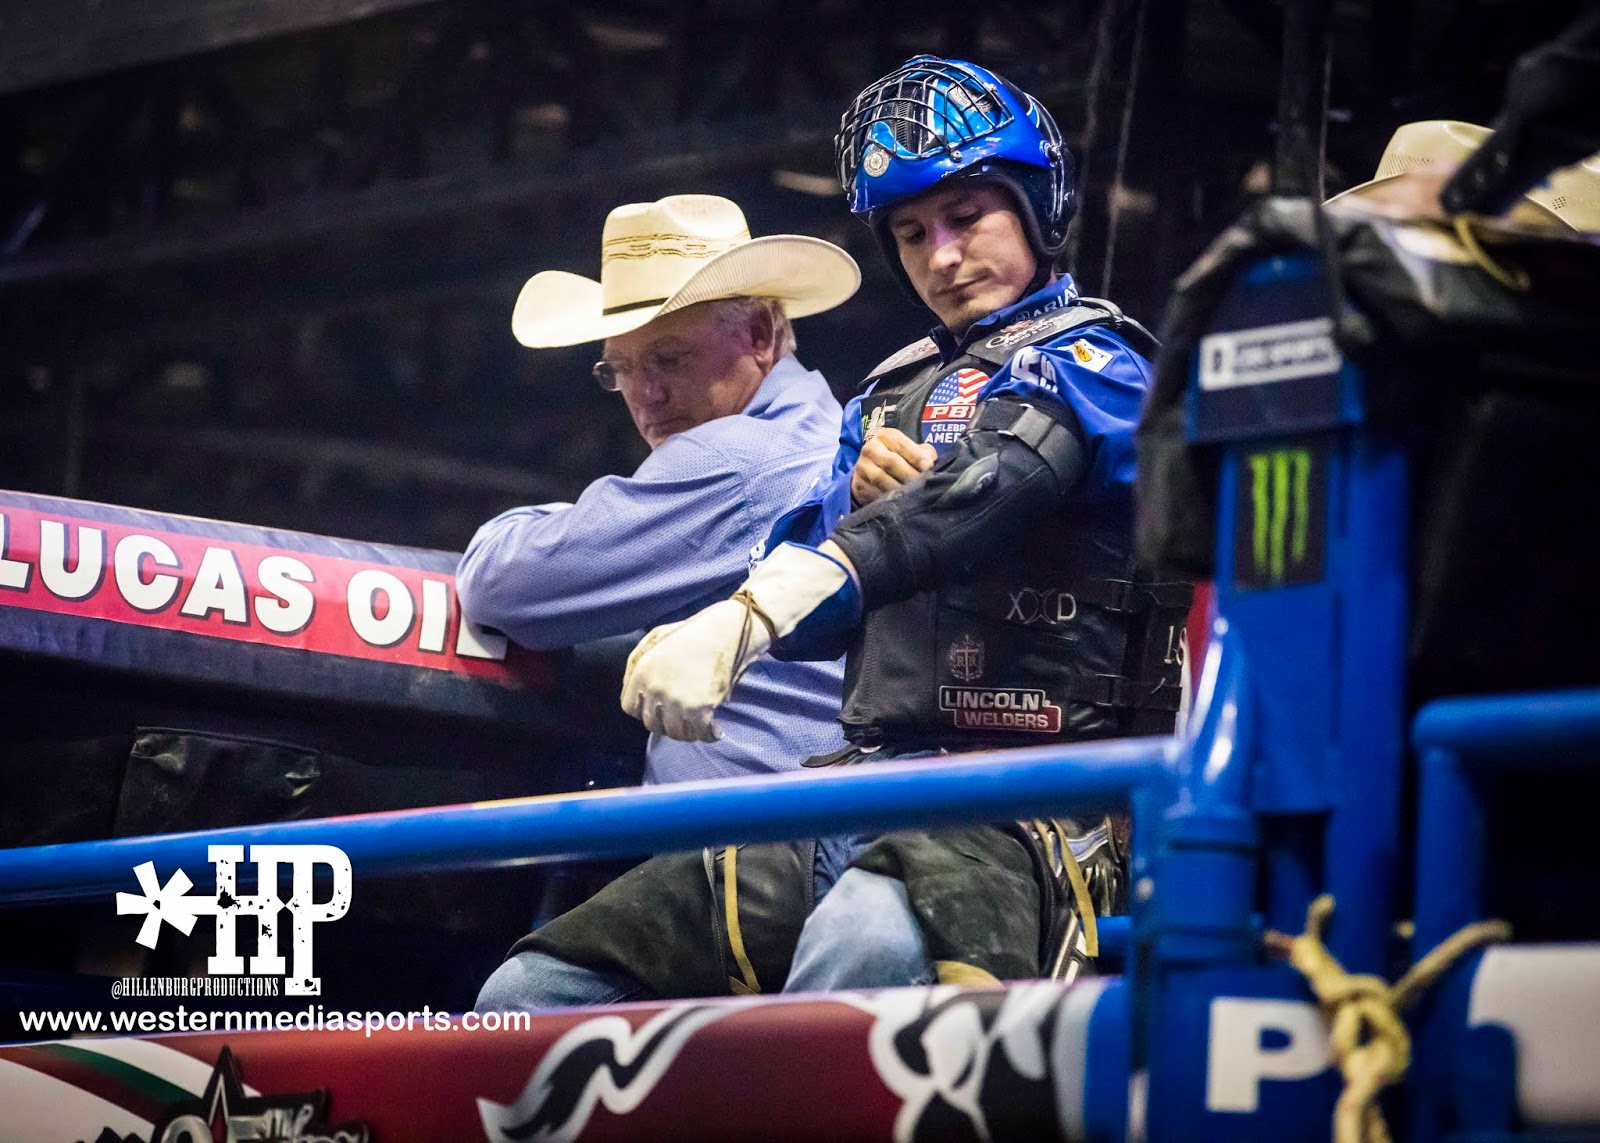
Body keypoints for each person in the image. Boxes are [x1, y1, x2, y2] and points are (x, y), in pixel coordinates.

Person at [623, 56, 1191, 991]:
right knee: (546, 982)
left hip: (1048, 803)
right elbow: (818, 624)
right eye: (913, 233)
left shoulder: (1104, 367)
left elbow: (989, 487)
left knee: (860, 945)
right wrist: (853, 507)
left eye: (967, 217)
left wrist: (747, 614)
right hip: (864, 780)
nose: (943, 256)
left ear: (1037, 206)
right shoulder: (887, 394)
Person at [456, 193, 861, 788]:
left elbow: (499, 584)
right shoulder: (827, 436)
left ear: (759, 334)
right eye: (618, 369)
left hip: (751, 835)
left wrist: (543, 521)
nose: (645, 395)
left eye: (668, 359)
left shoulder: (730, 460)